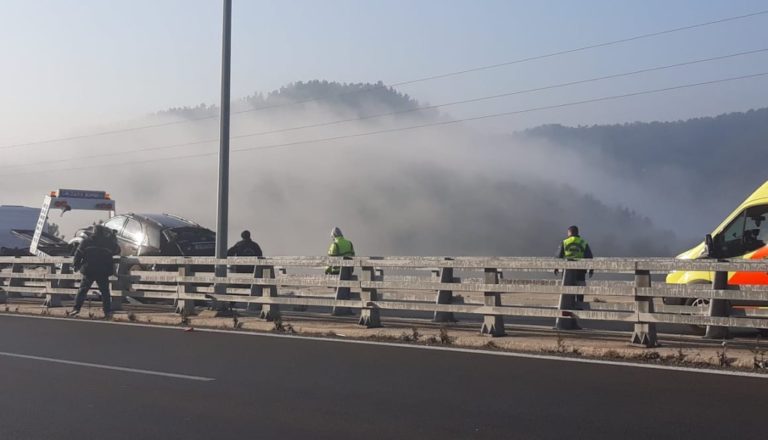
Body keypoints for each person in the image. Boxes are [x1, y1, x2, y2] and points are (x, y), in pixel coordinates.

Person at [69, 225, 120, 318]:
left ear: (93, 232)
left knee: (83, 290)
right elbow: (117, 250)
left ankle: (76, 308)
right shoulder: (107, 242)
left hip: (89, 269)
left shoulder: (86, 241)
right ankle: (107, 311)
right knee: (105, 292)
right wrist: (112, 237)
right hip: (103, 270)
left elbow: (78, 254)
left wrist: (76, 265)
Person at [555, 225, 594, 301]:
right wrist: (591, 269)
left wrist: (556, 267)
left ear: (569, 232)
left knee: (567, 289)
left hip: (567, 270)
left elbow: (558, 256)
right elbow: (590, 257)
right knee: (580, 288)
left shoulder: (565, 242)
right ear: (577, 232)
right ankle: (579, 305)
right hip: (580, 270)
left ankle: (568, 304)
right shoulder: (583, 242)